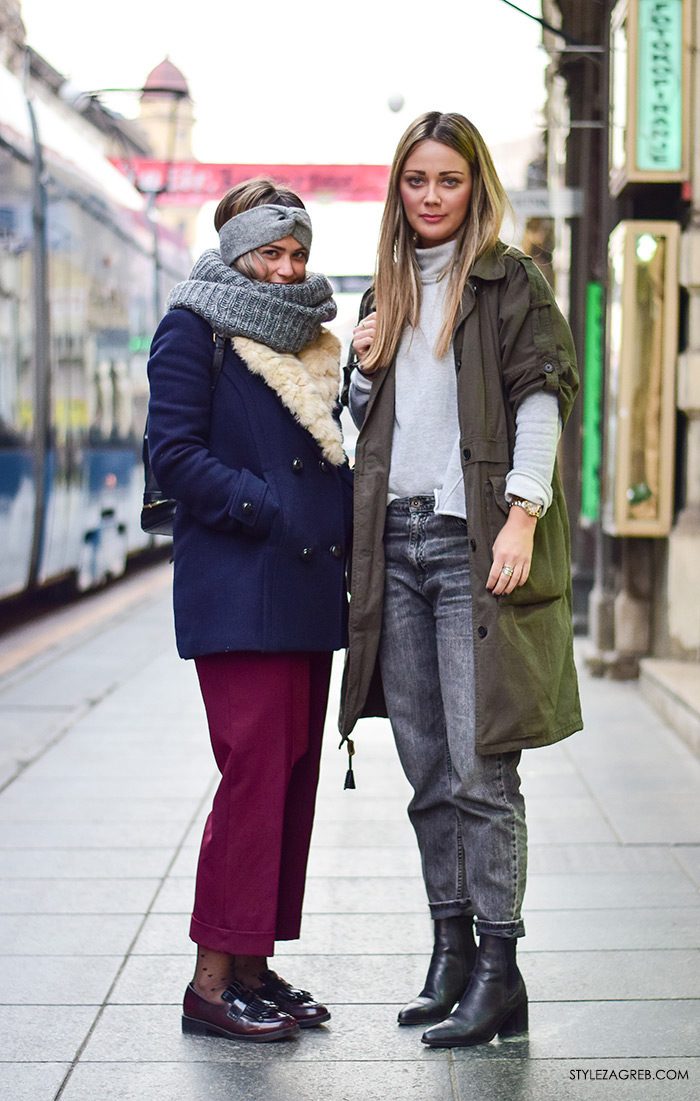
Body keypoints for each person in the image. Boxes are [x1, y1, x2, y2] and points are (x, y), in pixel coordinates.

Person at [340, 113, 582, 1048]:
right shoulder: (387, 288)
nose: (431, 196)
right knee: (426, 767)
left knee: (484, 769)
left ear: (475, 186)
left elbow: (542, 396)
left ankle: (498, 966)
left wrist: (522, 514)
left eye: (448, 180)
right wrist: (363, 374)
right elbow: (376, 430)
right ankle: (447, 950)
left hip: (469, 544)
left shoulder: (508, 279)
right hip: (391, 547)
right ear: (398, 190)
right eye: (416, 180)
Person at [147, 178, 352, 1043]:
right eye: (271, 253)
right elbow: (174, 455)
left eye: (298, 253)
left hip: (304, 589)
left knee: (293, 771)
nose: (287, 269)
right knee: (254, 772)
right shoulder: (192, 329)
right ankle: (210, 981)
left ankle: (255, 967)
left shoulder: (315, 342)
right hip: (240, 583)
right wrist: (262, 505)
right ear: (236, 254)